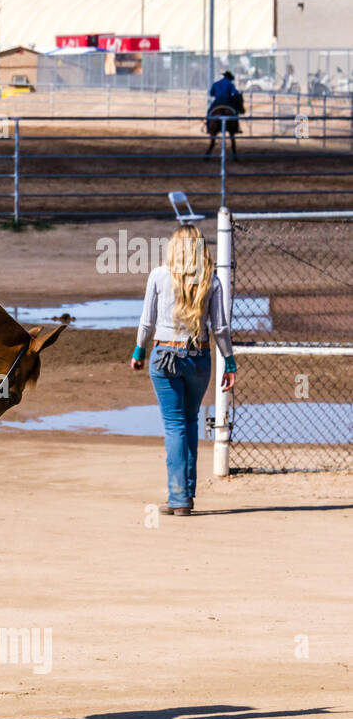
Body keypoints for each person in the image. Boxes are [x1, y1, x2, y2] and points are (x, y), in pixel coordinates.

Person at [130, 224, 237, 515]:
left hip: (164, 355)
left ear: (174, 248)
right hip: (198, 356)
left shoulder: (159, 276)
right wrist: (230, 362)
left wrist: (139, 351)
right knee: (190, 421)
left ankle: (178, 498)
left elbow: (146, 322)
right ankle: (186, 495)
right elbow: (221, 328)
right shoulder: (211, 280)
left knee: (175, 425)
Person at [204, 69, 245, 161]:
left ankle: (209, 127)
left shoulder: (216, 83)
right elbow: (236, 93)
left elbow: (211, 93)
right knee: (234, 114)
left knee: (209, 113)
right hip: (227, 103)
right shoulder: (230, 84)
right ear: (229, 77)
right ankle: (236, 128)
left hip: (217, 102)